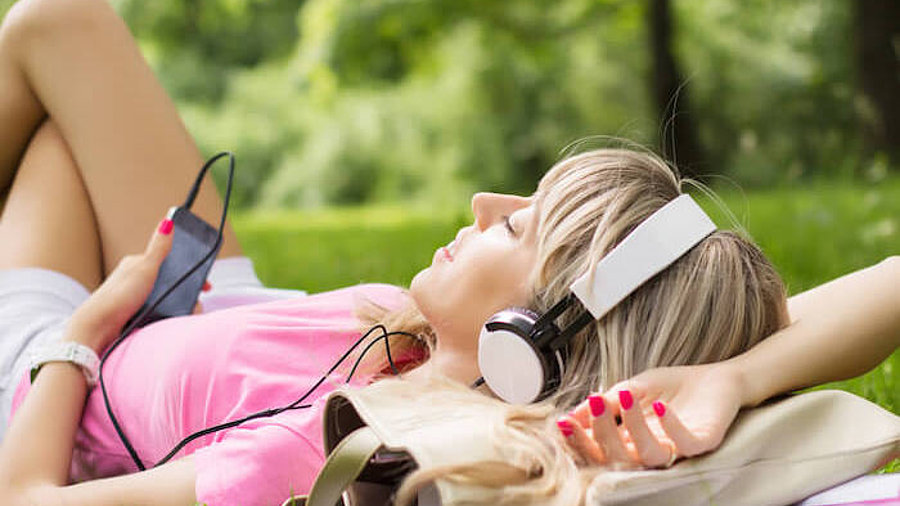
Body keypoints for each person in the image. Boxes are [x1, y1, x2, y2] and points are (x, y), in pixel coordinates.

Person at [0, 1, 895, 505]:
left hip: (63, 375)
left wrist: (80, 334)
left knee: (41, 44)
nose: (480, 203)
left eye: (515, 225)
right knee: (61, 22)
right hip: (217, 299)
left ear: (528, 336)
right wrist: (731, 378)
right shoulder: (440, 349)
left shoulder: (313, 451)